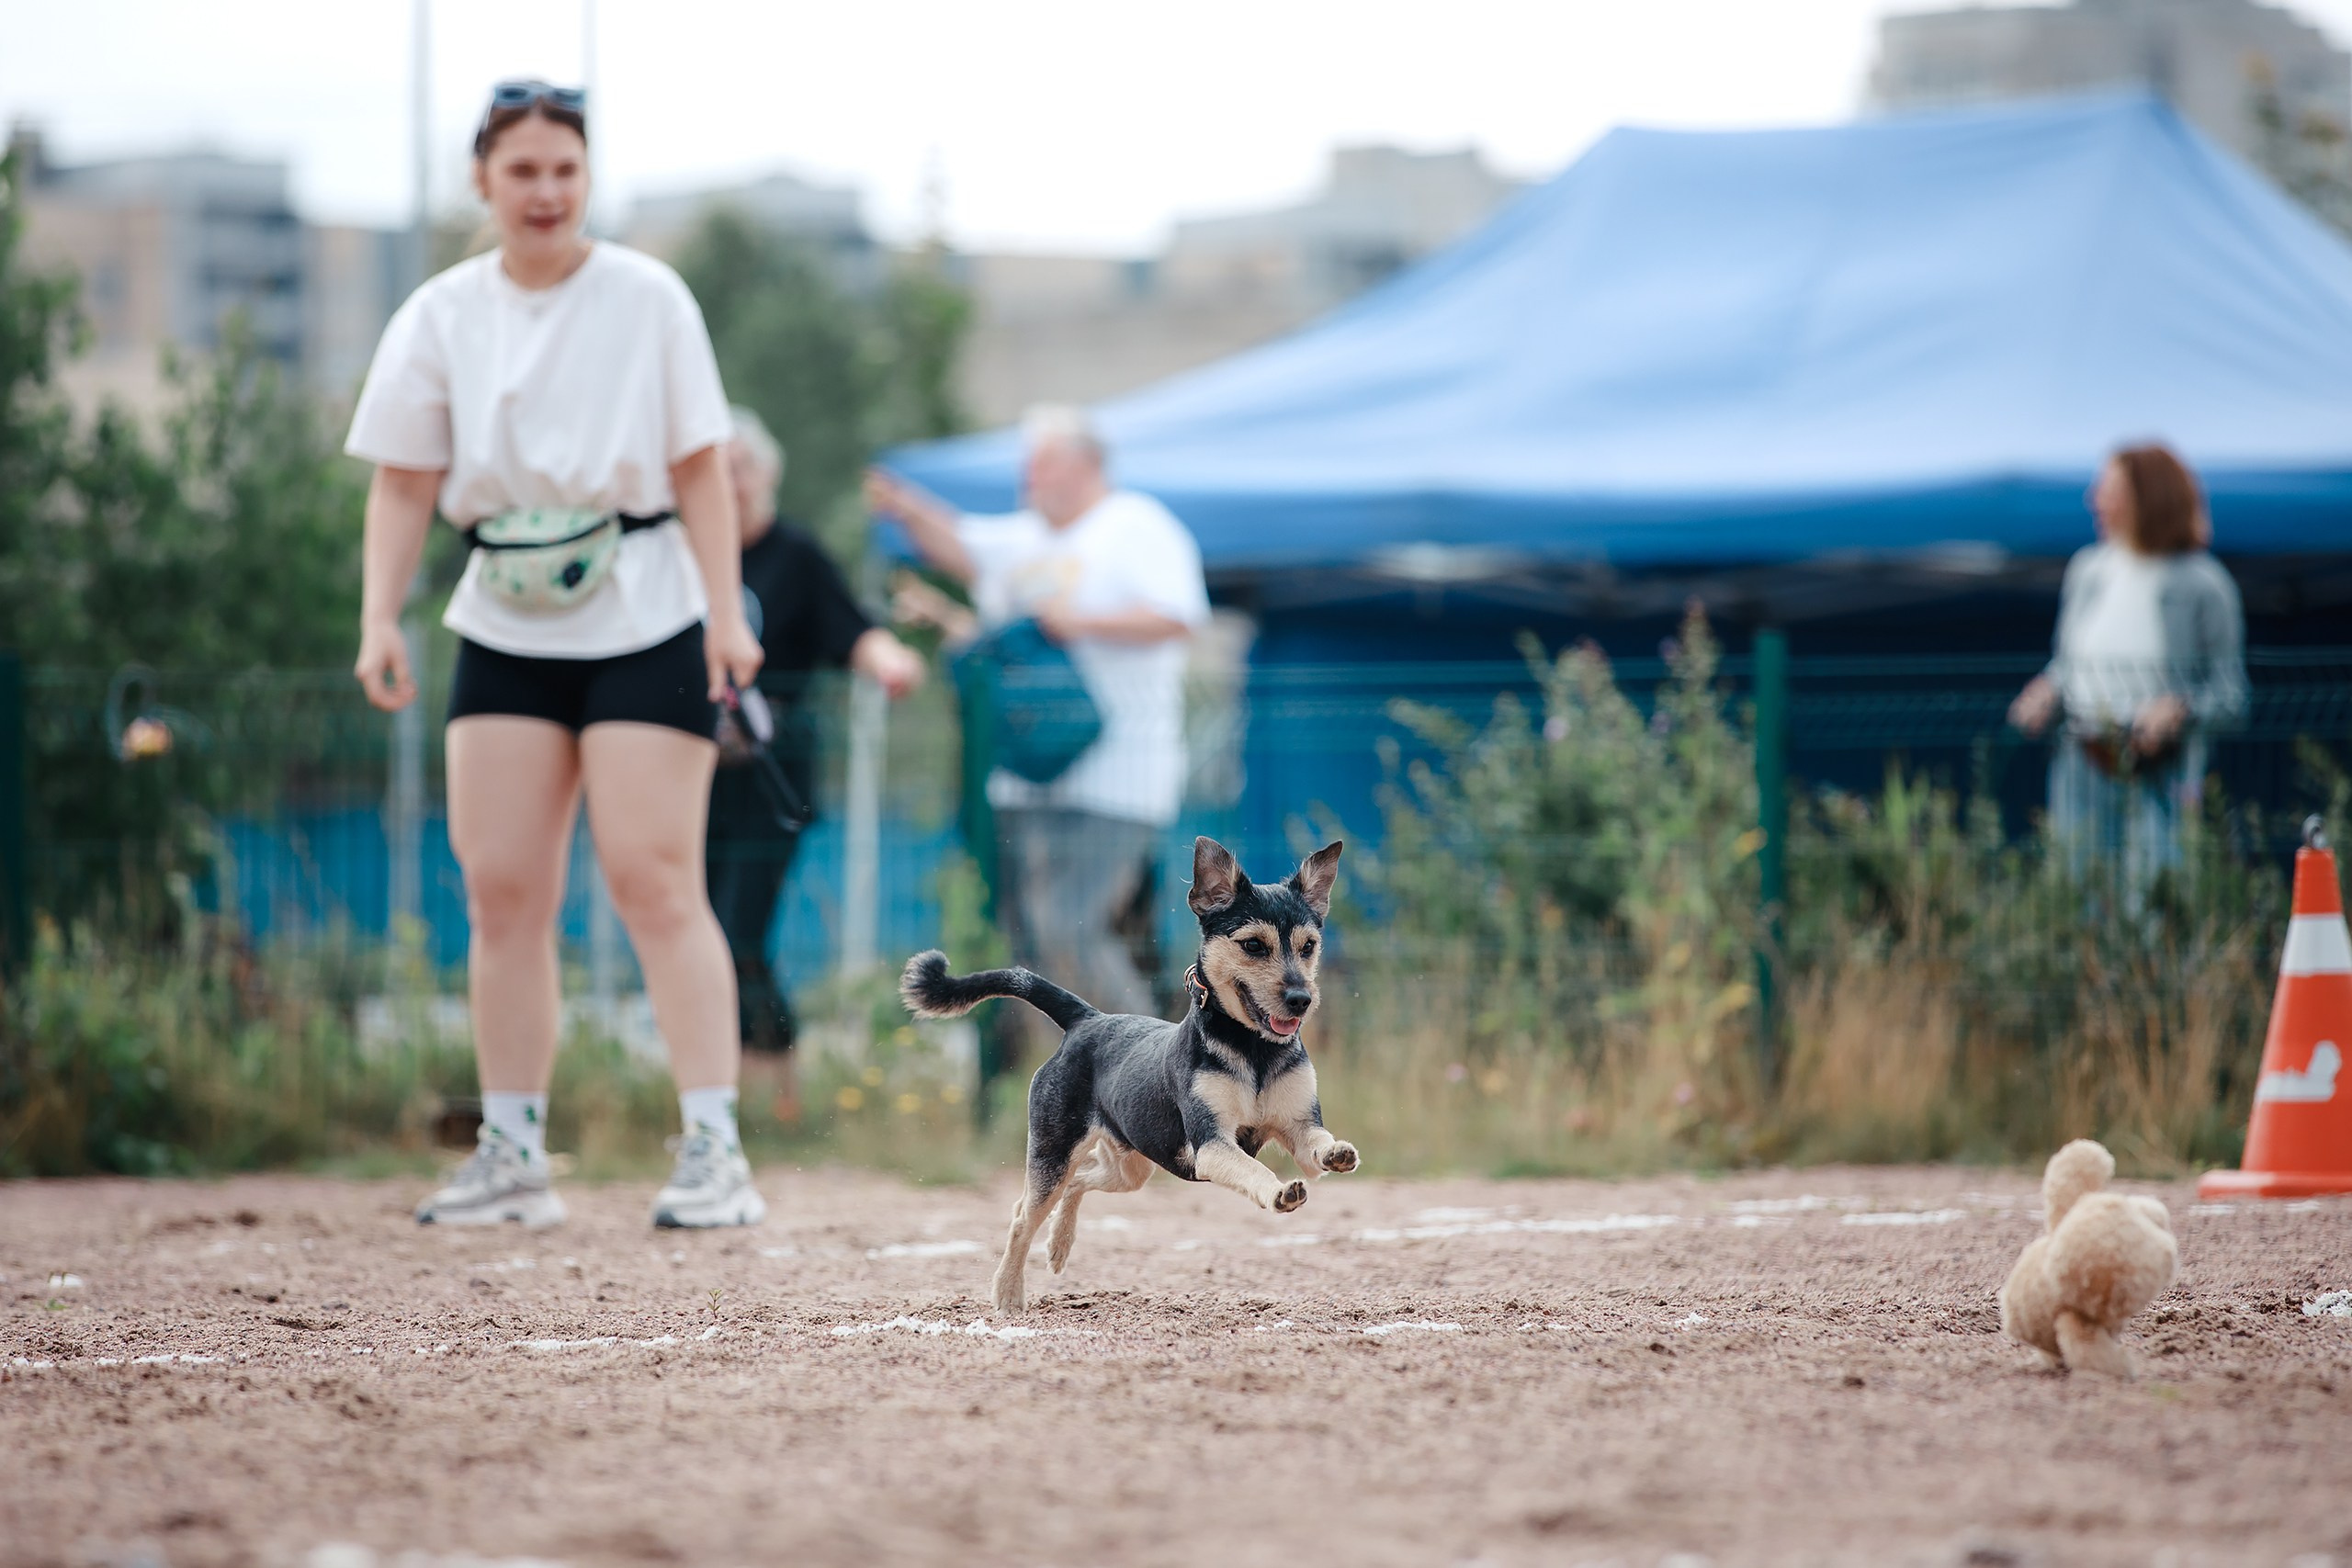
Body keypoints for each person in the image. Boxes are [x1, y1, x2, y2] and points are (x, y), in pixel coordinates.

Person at [347, 81, 766, 1230]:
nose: (544, 191)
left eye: (564, 170)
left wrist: (728, 615)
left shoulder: (648, 297)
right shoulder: (439, 311)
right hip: (501, 617)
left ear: (587, 180)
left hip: (645, 612)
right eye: (521, 170)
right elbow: (402, 479)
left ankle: (714, 1149)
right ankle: (514, 1155)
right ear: (481, 181)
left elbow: (697, 467)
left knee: (654, 880)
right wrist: (379, 617)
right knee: (502, 893)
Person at [865, 405, 1210, 1023]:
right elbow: (958, 543)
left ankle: (1146, 1075)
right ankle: (1071, 1092)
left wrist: (1079, 623)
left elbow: (1179, 614)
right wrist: (904, 505)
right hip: (1027, 776)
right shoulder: (1024, 536)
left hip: (1117, 779)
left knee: (1071, 931)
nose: (1029, 474)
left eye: (1043, 460)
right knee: (1032, 948)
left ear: (1085, 463)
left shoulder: (1137, 527)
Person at [709, 408, 924, 1120]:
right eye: (717, 465)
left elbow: (851, 630)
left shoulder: (794, 555)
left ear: (766, 473)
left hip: (770, 783)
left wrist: (888, 661)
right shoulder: (689, 555)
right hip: (690, 779)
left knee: (739, 933)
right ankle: (725, 1090)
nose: (730, 479)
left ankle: (771, 1085)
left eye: (741, 464)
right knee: (701, 931)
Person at [2008, 443, 2247, 893]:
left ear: (2149, 497)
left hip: (2160, 771)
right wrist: (2048, 690)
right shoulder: (2088, 571)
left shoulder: (2203, 583)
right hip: (2083, 762)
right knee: (2077, 893)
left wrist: (2180, 709)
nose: (2094, 501)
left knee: (2156, 895)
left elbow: (2231, 693)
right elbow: (2071, 665)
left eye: (2110, 490)